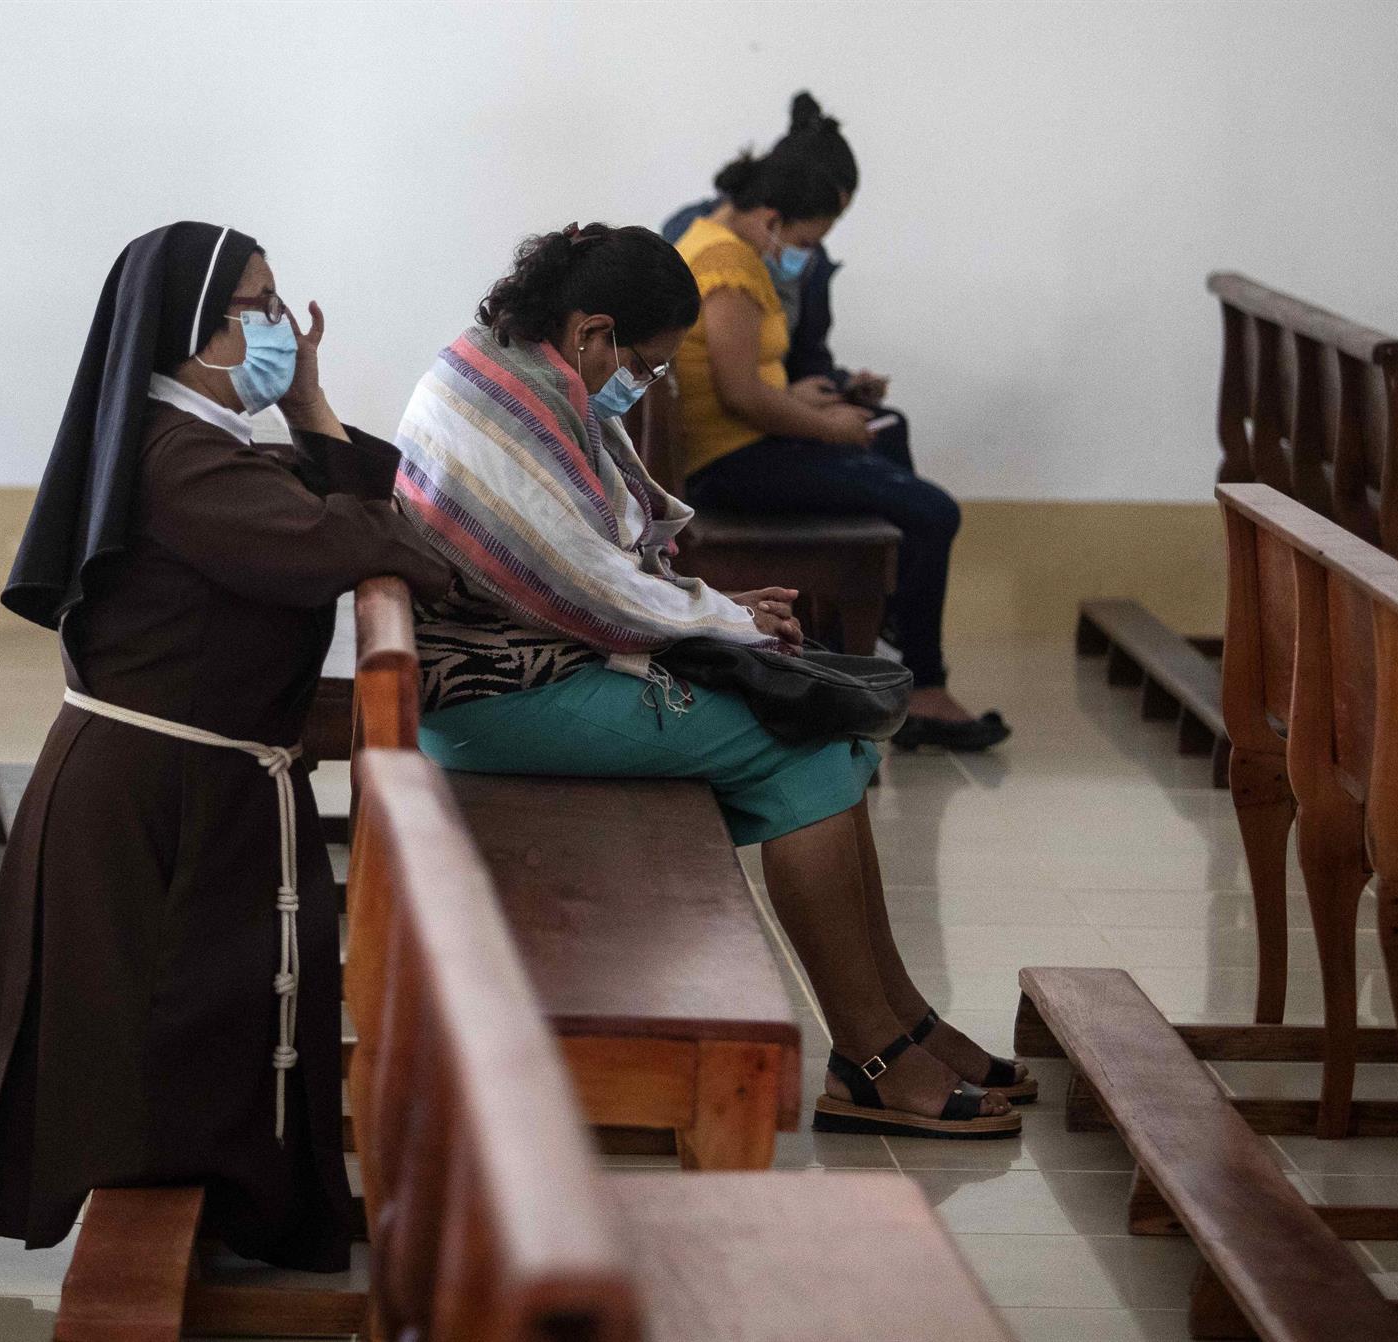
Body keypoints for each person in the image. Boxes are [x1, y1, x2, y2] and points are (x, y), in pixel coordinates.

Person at [0, 222, 451, 1264]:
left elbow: (350, 511)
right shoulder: (180, 457)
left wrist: (312, 410)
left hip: (193, 781)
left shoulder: (212, 439)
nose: (282, 325)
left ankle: (241, 1210)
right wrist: (341, 457)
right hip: (148, 792)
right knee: (86, 1056)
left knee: (184, 1023)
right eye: (260, 307)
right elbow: (352, 539)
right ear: (197, 328)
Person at [394, 223, 1031, 1141]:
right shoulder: (509, 398)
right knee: (807, 745)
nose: (643, 386)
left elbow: (589, 566)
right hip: (497, 697)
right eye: (646, 365)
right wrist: (723, 618)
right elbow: (584, 585)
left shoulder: (516, 368)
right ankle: (870, 1059)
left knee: (825, 722)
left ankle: (899, 1024)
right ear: (592, 332)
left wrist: (716, 608)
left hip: (530, 664)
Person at [667, 127, 1009, 752]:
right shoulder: (725, 263)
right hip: (731, 465)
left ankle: (895, 648)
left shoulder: (721, 246)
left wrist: (808, 397)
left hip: (744, 446)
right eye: (803, 242)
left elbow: (742, 378)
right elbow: (740, 394)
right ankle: (922, 684)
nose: (804, 256)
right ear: (771, 218)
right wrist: (828, 427)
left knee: (886, 444)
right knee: (932, 510)